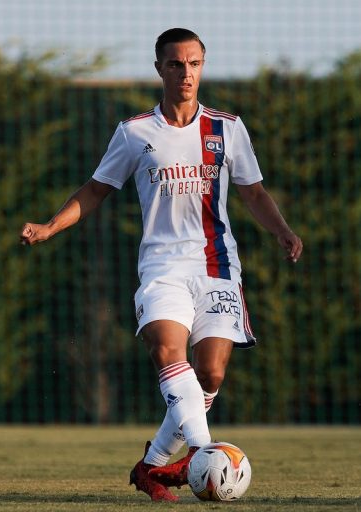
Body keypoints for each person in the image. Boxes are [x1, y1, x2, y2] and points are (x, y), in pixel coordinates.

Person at [19, 27, 302, 502]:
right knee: (169, 352)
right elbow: (95, 190)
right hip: (162, 268)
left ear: (202, 67)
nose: (186, 73)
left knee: (209, 375)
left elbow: (253, 191)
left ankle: (151, 467)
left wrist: (282, 230)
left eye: (194, 64)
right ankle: (204, 455)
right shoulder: (134, 133)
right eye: (176, 64)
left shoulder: (227, 128)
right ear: (160, 69)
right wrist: (50, 226)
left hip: (217, 266)